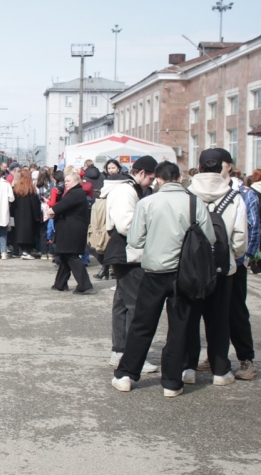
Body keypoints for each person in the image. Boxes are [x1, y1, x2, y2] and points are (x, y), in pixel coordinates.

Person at [112, 162, 215, 397]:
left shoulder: (147, 202)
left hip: (154, 271)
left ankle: (126, 374)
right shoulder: (194, 202)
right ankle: (171, 382)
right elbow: (209, 237)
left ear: (158, 179)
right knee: (180, 328)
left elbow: (136, 240)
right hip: (186, 273)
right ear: (179, 178)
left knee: (142, 324)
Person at [186, 148, 247, 386]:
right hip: (223, 268)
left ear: (199, 168)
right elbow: (241, 238)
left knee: (190, 317)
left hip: (192, 268)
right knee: (219, 319)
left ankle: (188, 368)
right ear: (223, 167)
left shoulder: (188, 194)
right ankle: (221, 371)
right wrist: (232, 255)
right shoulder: (234, 196)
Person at [100, 155, 158, 370]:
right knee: (136, 305)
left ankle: (120, 351)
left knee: (123, 303)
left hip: (121, 251)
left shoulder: (125, 188)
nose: (151, 183)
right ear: (141, 173)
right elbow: (126, 224)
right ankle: (134, 356)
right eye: (150, 178)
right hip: (128, 252)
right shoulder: (126, 190)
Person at [230, 167, 261, 381]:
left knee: (237, 312)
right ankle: (216, 357)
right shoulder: (201, 192)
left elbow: (254, 226)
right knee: (212, 313)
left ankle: (246, 359)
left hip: (237, 262)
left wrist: (246, 256)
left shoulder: (246, 194)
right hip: (210, 264)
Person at [48, 171, 94, 294]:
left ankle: (85, 284)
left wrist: (50, 210)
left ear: (76, 181)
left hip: (72, 230)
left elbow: (59, 207)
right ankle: (60, 284)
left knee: (71, 256)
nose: (66, 183)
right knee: (64, 256)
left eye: (68, 181)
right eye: (65, 181)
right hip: (70, 229)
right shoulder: (75, 193)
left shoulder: (75, 193)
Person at [12, 171, 42, 260]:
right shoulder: (31, 189)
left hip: (18, 214)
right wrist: (37, 215)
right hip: (29, 215)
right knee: (29, 233)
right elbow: (35, 203)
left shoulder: (16, 188)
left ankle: (21, 251)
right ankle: (27, 252)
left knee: (19, 232)